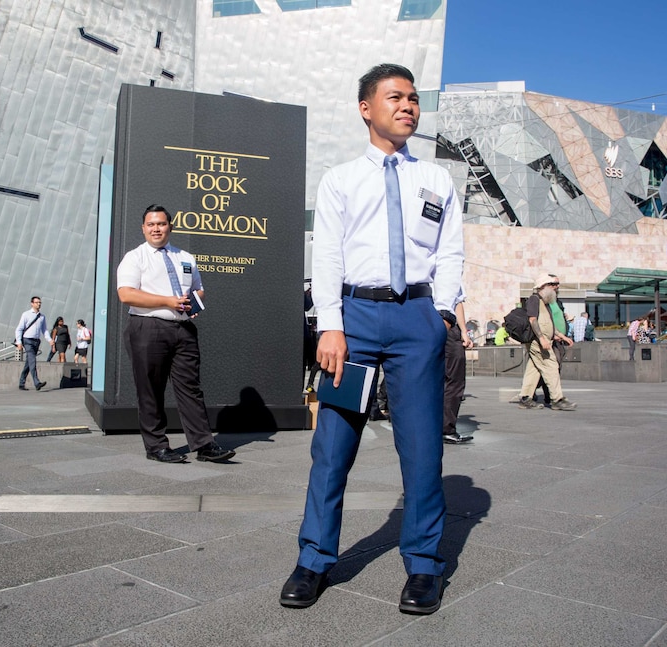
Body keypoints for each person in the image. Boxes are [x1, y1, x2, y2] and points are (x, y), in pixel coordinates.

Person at [279, 64, 463, 615]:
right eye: (394, 97)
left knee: (423, 448)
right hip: (355, 322)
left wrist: (444, 317)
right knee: (333, 448)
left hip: (416, 322)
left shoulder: (437, 180)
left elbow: (449, 250)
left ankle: (425, 567)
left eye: (412, 98)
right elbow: (329, 256)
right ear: (366, 108)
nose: (407, 106)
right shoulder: (340, 179)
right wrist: (329, 325)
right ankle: (313, 559)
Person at [117, 204, 235, 465]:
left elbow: (199, 289)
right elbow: (126, 294)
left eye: (161, 224)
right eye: (151, 224)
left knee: (190, 388)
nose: (156, 229)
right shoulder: (135, 257)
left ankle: (204, 445)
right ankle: (156, 446)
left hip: (183, 330)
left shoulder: (186, 257)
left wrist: (193, 303)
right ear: (143, 228)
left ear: (170, 226)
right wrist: (167, 301)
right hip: (148, 327)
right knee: (150, 389)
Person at [517, 273, 576, 411]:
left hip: (543, 340)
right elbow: (533, 320)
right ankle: (557, 399)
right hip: (538, 341)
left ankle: (525, 398)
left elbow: (549, 324)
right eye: (553, 284)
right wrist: (542, 338)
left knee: (534, 369)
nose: (556, 287)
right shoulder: (534, 299)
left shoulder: (545, 302)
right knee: (551, 366)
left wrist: (562, 336)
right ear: (543, 286)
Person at [443, 289, 473, 444]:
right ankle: (446, 429)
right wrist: (464, 332)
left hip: (423, 325)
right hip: (448, 325)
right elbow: (457, 303)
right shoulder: (449, 270)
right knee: (454, 380)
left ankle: (426, 426)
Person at [15, 296, 52, 391]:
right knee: (32, 360)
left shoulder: (42, 316)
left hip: (36, 341)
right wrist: (19, 342)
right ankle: (36, 382)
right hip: (27, 340)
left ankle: (21, 383)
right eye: (36, 302)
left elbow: (44, 330)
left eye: (40, 302)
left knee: (29, 362)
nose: (38, 304)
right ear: (32, 303)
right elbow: (19, 329)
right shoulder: (26, 314)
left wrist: (49, 340)